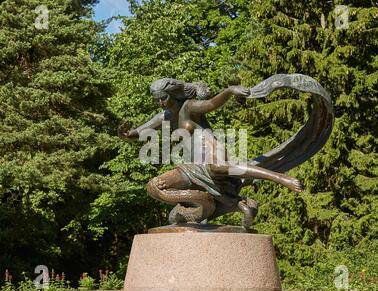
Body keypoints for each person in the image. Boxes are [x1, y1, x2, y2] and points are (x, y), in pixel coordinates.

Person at [122, 78, 303, 228]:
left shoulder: (189, 107)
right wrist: (126, 134)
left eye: (163, 98)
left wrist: (230, 90)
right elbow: (139, 133)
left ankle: (280, 178)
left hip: (211, 152)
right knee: (159, 194)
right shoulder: (165, 116)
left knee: (216, 167)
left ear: (172, 95)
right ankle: (238, 204)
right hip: (193, 166)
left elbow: (211, 103)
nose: (160, 103)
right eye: (157, 100)